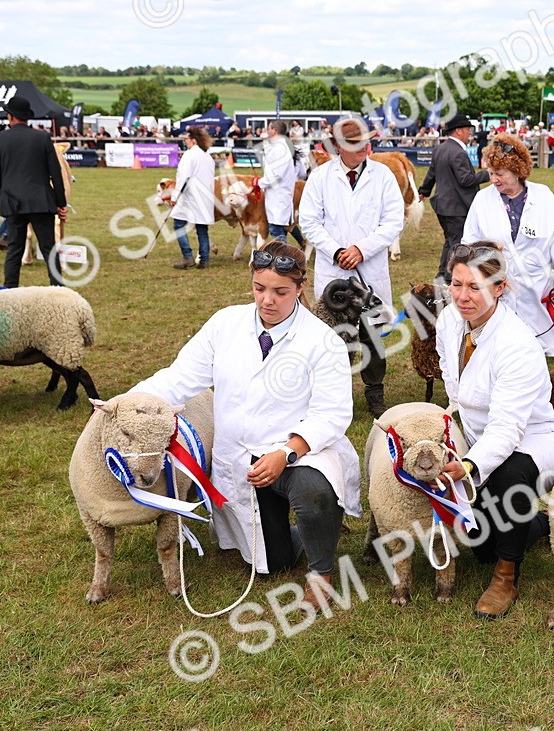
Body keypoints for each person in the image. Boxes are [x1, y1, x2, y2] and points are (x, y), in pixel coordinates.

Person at [130, 241, 359, 603]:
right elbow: (179, 378)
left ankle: (322, 567)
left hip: (296, 451)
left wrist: (286, 452)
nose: (268, 300)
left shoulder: (323, 341)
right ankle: (296, 535)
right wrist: (125, 404)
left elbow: (331, 413)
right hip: (239, 457)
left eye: (281, 292)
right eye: (259, 288)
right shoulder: (225, 324)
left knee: (313, 491)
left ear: (300, 288)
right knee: (276, 562)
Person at [436, 241, 554, 619]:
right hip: (483, 441)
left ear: (499, 288)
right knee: (481, 544)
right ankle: (539, 525)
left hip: (536, 441)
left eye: (475, 287)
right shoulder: (449, 320)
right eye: (456, 283)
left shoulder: (517, 344)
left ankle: (506, 577)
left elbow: (508, 428)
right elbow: (454, 385)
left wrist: (467, 465)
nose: (463, 296)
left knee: (508, 474)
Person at [299, 118, 404, 418]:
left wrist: (362, 250)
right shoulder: (320, 178)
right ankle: (334, 395)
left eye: (367, 142)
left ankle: (375, 393)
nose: (366, 147)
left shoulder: (382, 175)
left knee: (372, 334)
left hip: (370, 269)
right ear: (341, 148)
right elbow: (309, 220)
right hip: (333, 270)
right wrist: (336, 251)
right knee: (332, 337)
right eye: (358, 144)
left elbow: (394, 220)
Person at [461, 133, 554, 357]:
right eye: (491, 173)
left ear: (518, 171)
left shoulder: (544, 197)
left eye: (500, 174)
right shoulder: (482, 200)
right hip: (496, 281)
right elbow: (469, 241)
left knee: (537, 341)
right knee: (498, 341)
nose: (494, 179)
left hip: (536, 281)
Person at [0, 96, 68, 287]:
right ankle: (58, 289)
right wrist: (61, 203)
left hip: (12, 201)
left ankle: (10, 289)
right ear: (27, 117)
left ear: (10, 117)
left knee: (14, 249)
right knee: (49, 248)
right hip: (41, 200)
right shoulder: (42, 138)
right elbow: (55, 173)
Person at [418, 114, 491, 283]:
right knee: (456, 244)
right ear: (458, 131)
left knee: (449, 241)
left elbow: (432, 174)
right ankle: (451, 279)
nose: (469, 134)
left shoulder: (440, 149)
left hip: (443, 205)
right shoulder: (458, 152)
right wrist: (489, 174)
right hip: (457, 206)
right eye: (467, 130)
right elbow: (465, 180)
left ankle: (442, 275)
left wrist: (424, 190)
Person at [168, 126, 217, 269]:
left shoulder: (189, 155)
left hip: (190, 197)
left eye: (186, 139)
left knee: (178, 225)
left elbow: (183, 177)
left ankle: (187, 257)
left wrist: (175, 195)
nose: (185, 142)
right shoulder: (208, 157)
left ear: (193, 141)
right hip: (205, 196)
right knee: (202, 228)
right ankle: (204, 259)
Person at [260, 119, 304, 248]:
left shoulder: (280, 148)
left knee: (277, 232)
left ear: (274, 131)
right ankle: (284, 259)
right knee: (280, 229)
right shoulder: (281, 147)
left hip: (279, 195)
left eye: (269, 128)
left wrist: (259, 182)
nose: (267, 131)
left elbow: (276, 174)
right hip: (278, 195)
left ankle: (284, 260)